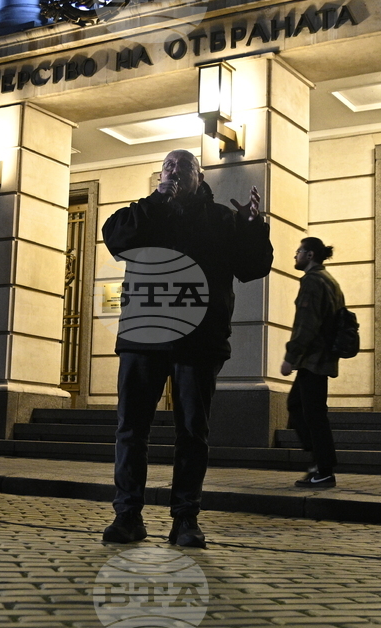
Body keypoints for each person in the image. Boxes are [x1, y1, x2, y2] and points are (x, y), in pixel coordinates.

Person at [101, 149, 273, 547]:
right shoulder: (142, 213)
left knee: (193, 432)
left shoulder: (222, 220)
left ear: (201, 177)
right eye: (167, 167)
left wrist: (252, 228)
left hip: (199, 340)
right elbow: (116, 239)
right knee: (131, 429)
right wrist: (156, 200)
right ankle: (127, 516)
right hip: (144, 336)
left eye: (184, 167)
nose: (174, 171)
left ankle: (185, 519)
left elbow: (252, 268)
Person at [280, 238, 344, 489]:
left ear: (309, 255)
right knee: (298, 406)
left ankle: (324, 468)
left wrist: (290, 357)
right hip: (320, 358)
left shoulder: (313, 281)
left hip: (314, 359)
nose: (295, 255)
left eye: (298, 251)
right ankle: (319, 461)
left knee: (313, 415)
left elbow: (306, 323)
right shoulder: (329, 280)